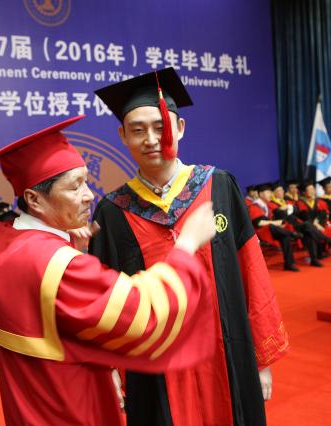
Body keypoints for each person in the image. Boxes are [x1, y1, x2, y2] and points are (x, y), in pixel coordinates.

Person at [0, 115, 219, 425]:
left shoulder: (9, 243)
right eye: (75, 187)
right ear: (34, 199)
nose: (89, 194)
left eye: (86, 180)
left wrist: (71, 247)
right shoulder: (55, 264)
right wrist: (186, 246)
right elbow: (144, 314)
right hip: (71, 412)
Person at [92, 68, 288, 426]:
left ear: (180, 128)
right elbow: (108, 304)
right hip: (154, 369)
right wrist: (109, 369)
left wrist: (261, 359)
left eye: (160, 127)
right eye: (138, 130)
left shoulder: (219, 187)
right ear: (123, 136)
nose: (151, 139)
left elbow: (253, 272)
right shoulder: (113, 212)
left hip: (228, 354)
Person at [249, 183, 303, 271]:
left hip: (270, 231)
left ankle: (289, 264)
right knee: (272, 226)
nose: (271, 194)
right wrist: (274, 222)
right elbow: (258, 223)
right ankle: (292, 234)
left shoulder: (266, 206)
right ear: (261, 194)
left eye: (271, 192)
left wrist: (278, 223)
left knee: (284, 236)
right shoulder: (255, 206)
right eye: (268, 192)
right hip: (260, 233)